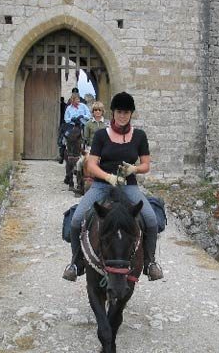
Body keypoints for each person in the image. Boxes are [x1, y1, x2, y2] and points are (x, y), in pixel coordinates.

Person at [62, 92, 163, 282]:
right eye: (119, 112)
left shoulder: (139, 136)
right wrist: (108, 177)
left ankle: (150, 262)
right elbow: (91, 165)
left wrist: (134, 168)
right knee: (76, 220)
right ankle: (75, 263)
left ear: (131, 114)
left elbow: (146, 165)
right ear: (113, 113)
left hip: (128, 186)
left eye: (126, 112)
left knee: (150, 220)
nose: (122, 116)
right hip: (101, 185)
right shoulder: (101, 135)